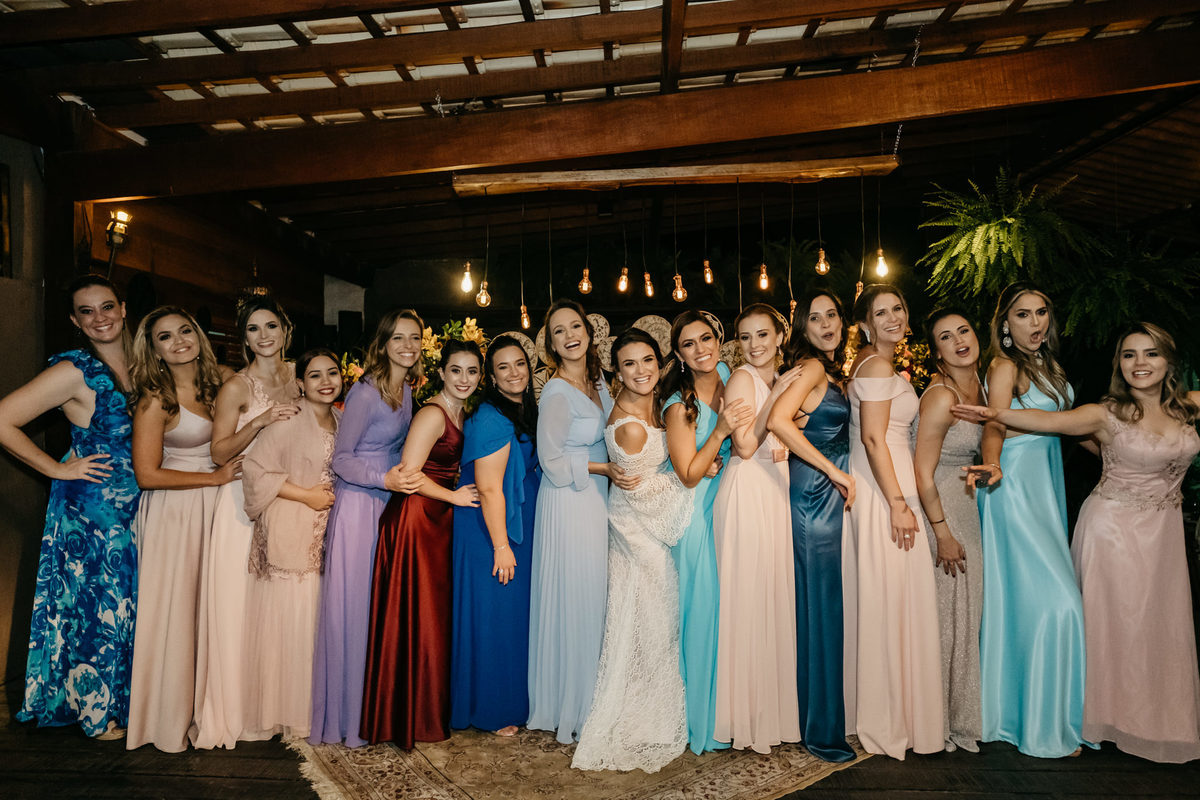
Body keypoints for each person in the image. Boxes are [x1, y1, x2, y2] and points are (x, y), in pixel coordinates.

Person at [954, 322, 1200, 763]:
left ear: (1169, 362)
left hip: (1163, 536)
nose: (1139, 364)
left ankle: (1151, 718)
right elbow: (1048, 420)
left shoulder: (1191, 408)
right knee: (1114, 625)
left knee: (1157, 625)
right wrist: (995, 414)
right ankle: (1103, 719)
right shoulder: (1105, 414)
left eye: (1150, 354)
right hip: (1112, 532)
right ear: (1118, 365)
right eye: (1129, 355)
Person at [0, 275, 139, 740]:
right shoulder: (75, 370)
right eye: (87, 311)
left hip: (143, 501)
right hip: (94, 507)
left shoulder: (145, 361)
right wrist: (57, 470)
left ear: (123, 308)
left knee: (131, 604)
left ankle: (131, 698)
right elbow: (3, 420)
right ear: (74, 321)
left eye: (107, 306)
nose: (100, 318)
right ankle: (96, 713)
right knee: (98, 604)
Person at [972, 282, 1085, 758]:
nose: (1035, 323)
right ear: (1005, 324)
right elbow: (994, 423)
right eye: (1023, 315)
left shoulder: (1050, 366)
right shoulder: (1005, 366)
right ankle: (1037, 722)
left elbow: (1068, 426)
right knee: (1059, 604)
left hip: (1046, 489)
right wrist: (993, 466)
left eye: (1041, 313)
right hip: (1012, 491)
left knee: (1025, 605)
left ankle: (1038, 714)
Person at [573, 328, 692, 773]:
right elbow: (643, 489)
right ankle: (643, 723)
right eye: (629, 364)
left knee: (648, 621)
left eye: (647, 361)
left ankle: (651, 710)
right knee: (654, 623)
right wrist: (694, 476)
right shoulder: (628, 427)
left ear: (660, 363)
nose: (640, 371)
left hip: (639, 524)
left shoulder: (657, 404)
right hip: (637, 530)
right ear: (615, 370)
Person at [125, 306, 239, 752]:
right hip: (175, 512)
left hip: (217, 508)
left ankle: (209, 710)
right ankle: (166, 719)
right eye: (165, 337)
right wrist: (211, 478)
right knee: (177, 613)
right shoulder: (156, 399)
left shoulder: (221, 384)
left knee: (210, 609)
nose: (179, 342)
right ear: (152, 350)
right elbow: (146, 474)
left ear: (199, 334)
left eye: (185, 331)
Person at [310, 309, 424, 747]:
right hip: (360, 505)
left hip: (389, 502)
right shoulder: (365, 391)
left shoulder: (407, 387)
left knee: (379, 608)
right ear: (384, 341)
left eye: (414, 338)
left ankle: (376, 710)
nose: (407, 346)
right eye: (398, 338)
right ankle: (347, 720)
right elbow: (341, 458)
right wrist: (384, 479)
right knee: (354, 610)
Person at [362, 339, 482, 748]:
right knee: (417, 615)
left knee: (430, 617)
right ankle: (407, 717)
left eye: (472, 371)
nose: (464, 379)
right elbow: (408, 472)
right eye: (456, 370)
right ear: (442, 373)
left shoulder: (461, 412)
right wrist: (454, 496)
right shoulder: (432, 414)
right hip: (415, 519)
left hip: (436, 520)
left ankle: (425, 709)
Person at [193, 294, 300, 749]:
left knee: (278, 608)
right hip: (240, 502)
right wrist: (258, 423)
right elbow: (217, 452)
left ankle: (277, 704)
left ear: (285, 330)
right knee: (241, 605)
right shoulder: (236, 386)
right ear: (244, 339)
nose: (264, 336)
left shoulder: (300, 374)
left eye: (271, 326)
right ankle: (240, 711)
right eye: (254, 329)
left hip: (289, 500)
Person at [844, 284, 943, 760]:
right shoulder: (878, 364)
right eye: (880, 313)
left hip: (881, 486)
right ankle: (889, 718)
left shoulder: (868, 362)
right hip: (887, 488)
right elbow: (872, 438)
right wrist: (899, 502)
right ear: (864, 324)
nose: (892, 318)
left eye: (898, 309)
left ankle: (891, 710)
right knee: (892, 597)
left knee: (888, 597)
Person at [527, 300, 630, 744]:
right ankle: (573, 705)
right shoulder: (555, 392)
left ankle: (596, 697)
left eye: (575, 327)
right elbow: (548, 459)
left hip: (596, 500)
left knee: (594, 596)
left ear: (589, 333)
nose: (569, 335)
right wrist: (602, 469)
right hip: (569, 501)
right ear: (550, 344)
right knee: (578, 596)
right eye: (557, 332)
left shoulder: (599, 383)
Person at [767, 288, 857, 763]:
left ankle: (817, 718)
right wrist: (836, 471)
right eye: (815, 318)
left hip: (818, 489)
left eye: (833, 315)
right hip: (814, 493)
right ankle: (821, 730)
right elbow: (781, 421)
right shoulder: (814, 368)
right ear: (802, 327)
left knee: (820, 606)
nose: (826, 324)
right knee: (820, 609)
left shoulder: (825, 369)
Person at [711, 304, 803, 754]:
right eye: (745, 337)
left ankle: (770, 709)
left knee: (770, 597)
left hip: (773, 489)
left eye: (762, 335)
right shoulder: (745, 379)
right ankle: (744, 716)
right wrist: (776, 398)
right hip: (748, 491)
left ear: (780, 336)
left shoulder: (772, 379)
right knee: (749, 601)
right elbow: (746, 445)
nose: (754, 345)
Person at [662, 309, 752, 755]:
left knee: (733, 610)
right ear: (678, 355)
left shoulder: (726, 373)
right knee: (703, 611)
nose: (702, 350)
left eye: (706, 339)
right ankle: (700, 720)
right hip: (694, 514)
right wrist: (718, 434)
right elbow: (687, 474)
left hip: (731, 501)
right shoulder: (679, 406)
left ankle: (733, 709)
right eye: (689, 345)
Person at [240, 348, 342, 741]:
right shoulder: (288, 418)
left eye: (332, 373)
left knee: (316, 621)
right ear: (300, 382)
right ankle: (291, 713)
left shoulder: (341, 418)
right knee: (293, 621)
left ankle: (316, 707)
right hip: (290, 521)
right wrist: (305, 495)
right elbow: (255, 469)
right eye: (315, 375)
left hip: (325, 529)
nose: (326, 381)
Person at [450, 335, 540, 735]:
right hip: (492, 531)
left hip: (515, 524)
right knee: (496, 616)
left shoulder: (524, 411)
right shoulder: (491, 417)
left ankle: (509, 698)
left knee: (511, 617)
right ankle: (493, 708)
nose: (513, 372)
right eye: (503, 367)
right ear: (491, 376)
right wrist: (501, 546)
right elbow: (488, 488)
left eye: (519, 363)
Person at [911, 308, 987, 754]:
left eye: (964, 330)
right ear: (937, 352)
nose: (959, 339)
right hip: (939, 507)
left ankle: (957, 715)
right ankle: (934, 720)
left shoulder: (980, 386)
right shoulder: (941, 396)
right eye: (946, 336)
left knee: (964, 613)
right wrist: (941, 532)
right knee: (945, 615)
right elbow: (922, 472)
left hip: (967, 505)